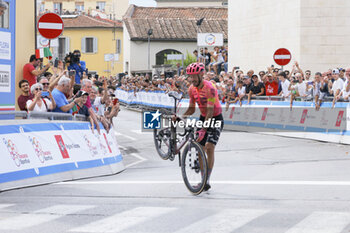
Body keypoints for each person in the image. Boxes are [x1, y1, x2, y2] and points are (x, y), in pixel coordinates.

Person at [180, 62, 224, 191]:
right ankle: (202, 177)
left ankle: (207, 178)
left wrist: (204, 129)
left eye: (194, 76)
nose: (192, 79)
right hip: (203, 117)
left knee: (209, 147)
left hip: (215, 118)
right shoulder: (191, 89)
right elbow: (191, 109)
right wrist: (181, 116)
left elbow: (210, 111)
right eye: (190, 76)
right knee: (200, 147)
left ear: (201, 74)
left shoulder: (210, 88)